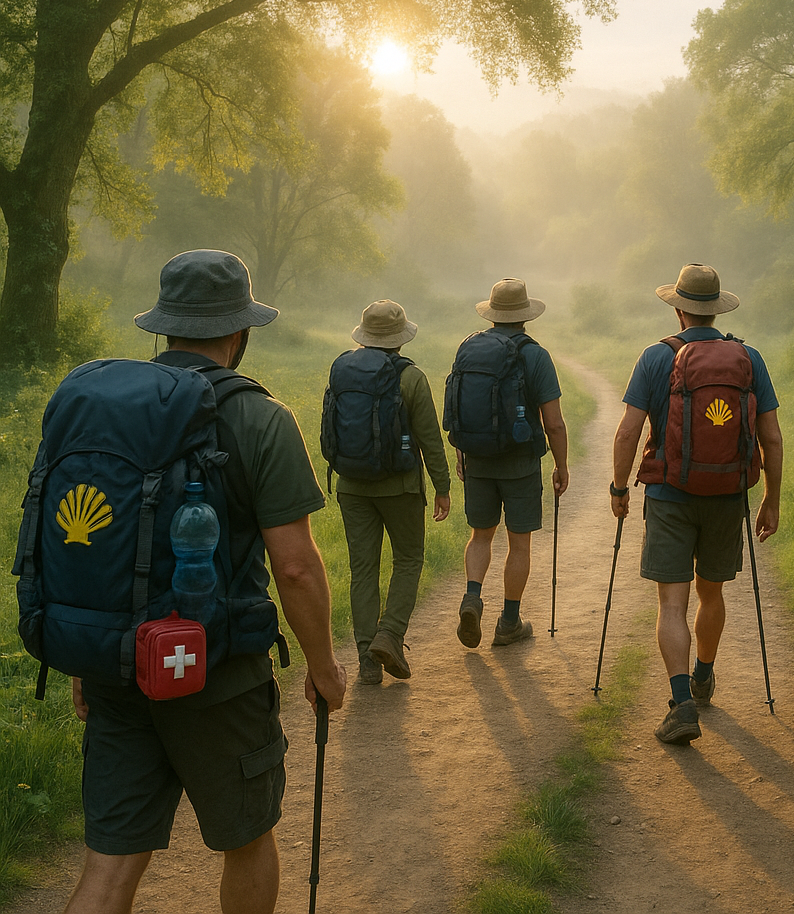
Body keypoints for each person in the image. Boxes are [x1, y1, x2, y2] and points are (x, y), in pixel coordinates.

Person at [63, 250, 347, 914]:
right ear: (239, 331)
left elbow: (89, 549)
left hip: (116, 668)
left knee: (109, 866)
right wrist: (323, 666)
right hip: (217, 674)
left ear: (164, 327)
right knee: (246, 841)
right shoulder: (261, 417)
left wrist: (88, 653)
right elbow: (296, 566)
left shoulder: (107, 409)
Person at [611, 264, 783, 745]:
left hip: (669, 496)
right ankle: (704, 675)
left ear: (678, 309)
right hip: (727, 496)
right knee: (712, 593)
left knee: (672, 602)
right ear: (717, 310)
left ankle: (681, 702)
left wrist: (620, 488)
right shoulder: (749, 358)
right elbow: (770, 437)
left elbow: (628, 431)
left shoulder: (654, 357)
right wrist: (770, 498)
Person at [330, 300, 451, 684]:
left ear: (364, 336)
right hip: (401, 487)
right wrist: (443, 486)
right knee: (409, 559)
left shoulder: (342, 369)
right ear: (400, 338)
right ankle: (390, 635)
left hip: (351, 486)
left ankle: (367, 658)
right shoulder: (411, 377)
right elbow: (430, 439)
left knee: (363, 569)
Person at [453, 278, 569, 648]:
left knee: (480, 535)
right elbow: (553, 422)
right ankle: (509, 622)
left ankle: (472, 597)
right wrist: (561, 465)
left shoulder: (469, 348)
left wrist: (461, 452)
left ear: (492, 313)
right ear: (525, 316)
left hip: (478, 459)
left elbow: (460, 408)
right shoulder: (535, 356)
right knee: (519, 544)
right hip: (520, 464)